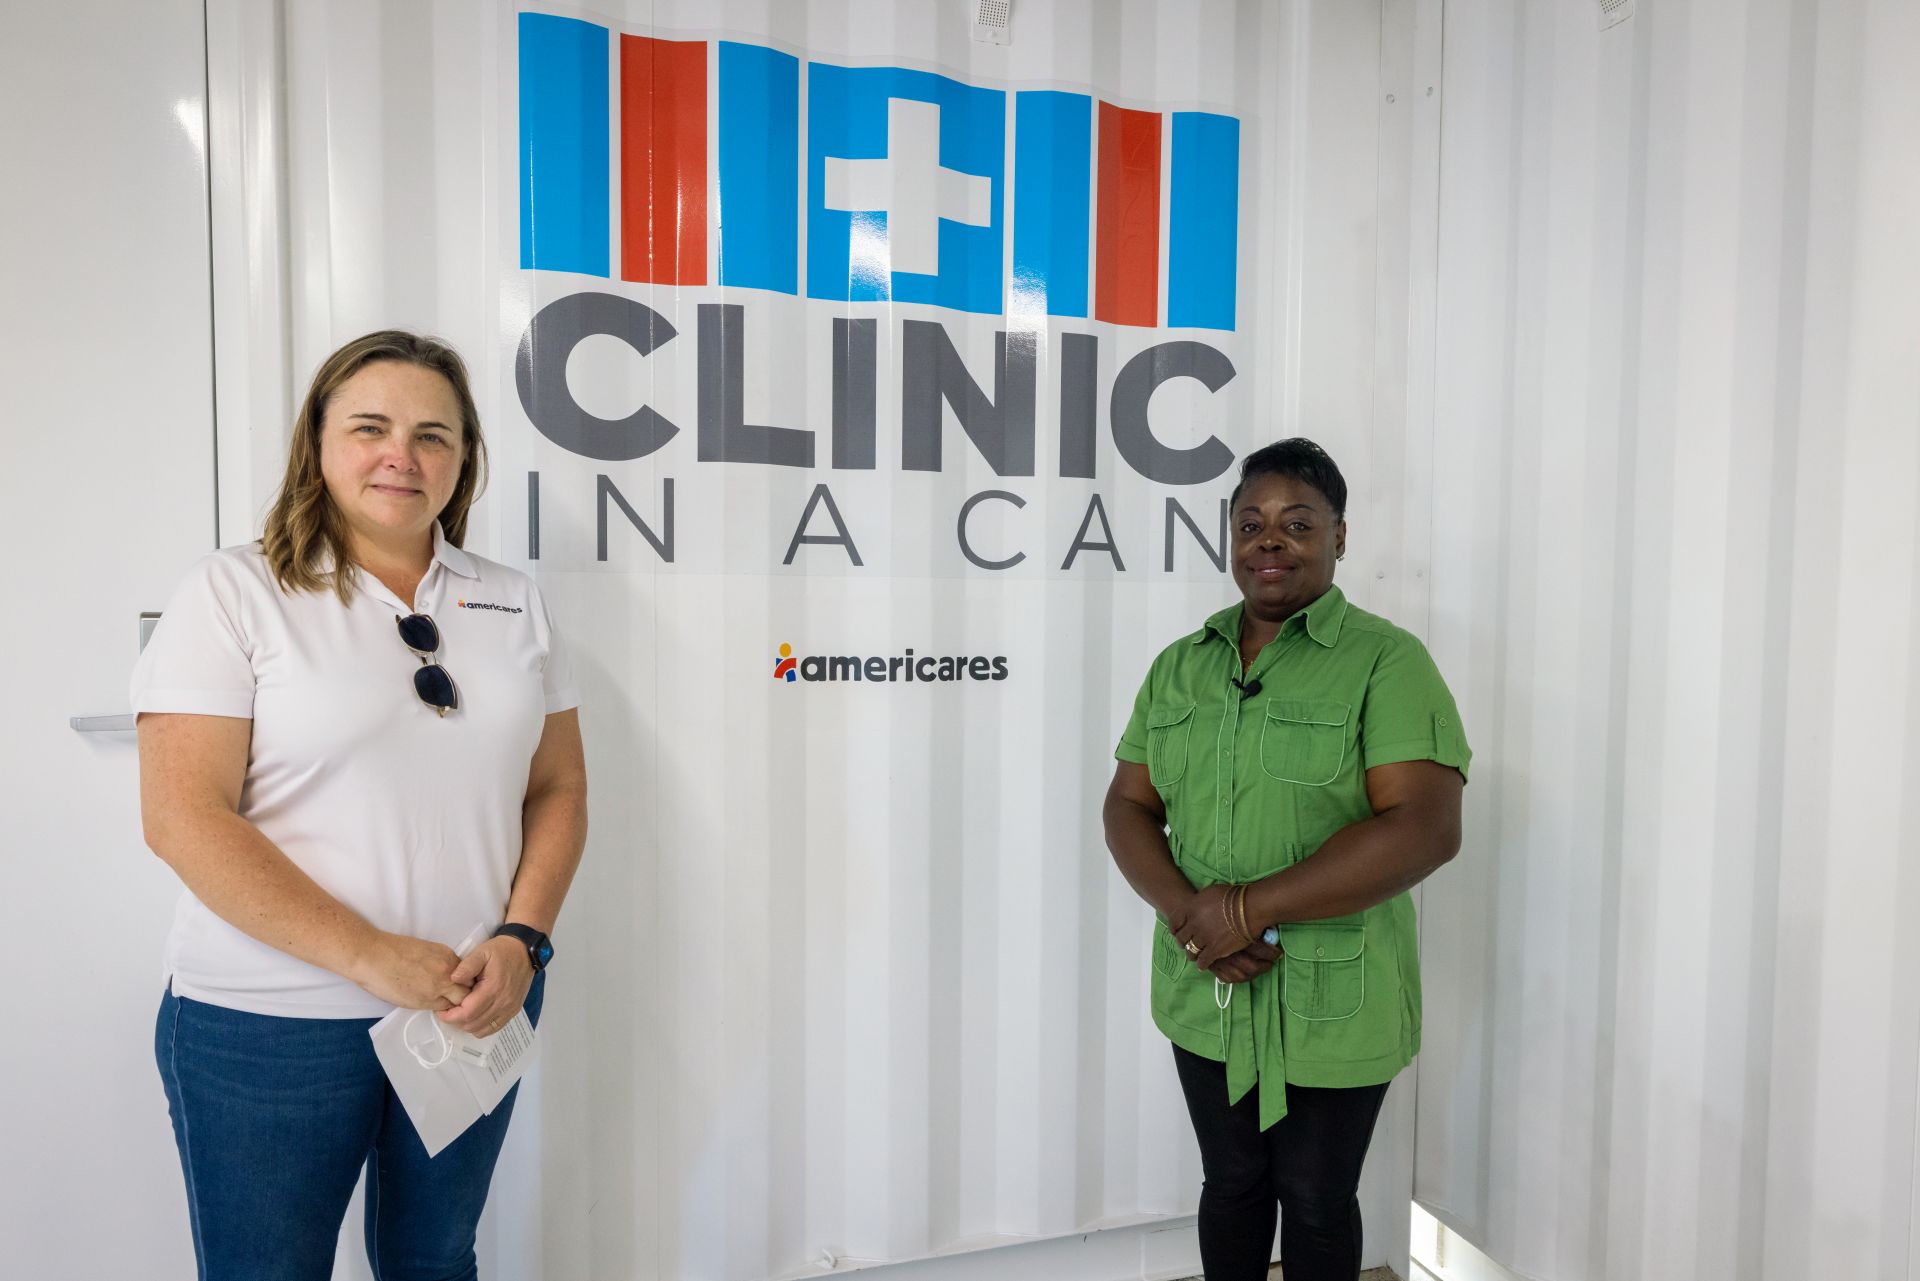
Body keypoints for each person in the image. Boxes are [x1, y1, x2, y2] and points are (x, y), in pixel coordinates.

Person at [133, 330, 588, 1281]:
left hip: (474, 1001)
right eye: (371, 427)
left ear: (465, 461)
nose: (402, 456)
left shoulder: (512, 601)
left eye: (434, 435)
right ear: (318, 443)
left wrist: (523, 940)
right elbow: (184, 817)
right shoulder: (234, 591)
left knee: (435, 1258)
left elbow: (557, 786)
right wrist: (371, 957)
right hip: (270, 1021)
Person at [1103, 439, 1469, 1281]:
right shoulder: (1180, 667)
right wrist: (1194, 918)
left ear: (1340, 536)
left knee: (1313, 1195)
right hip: (1208, 982)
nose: (1270, 540)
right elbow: (1128, 805)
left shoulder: (1387, 661)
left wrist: (1241, 908)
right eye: (1250, 524)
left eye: (1297, 523)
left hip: (1333, 996)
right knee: (1230, 1182)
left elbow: (1423, 826)